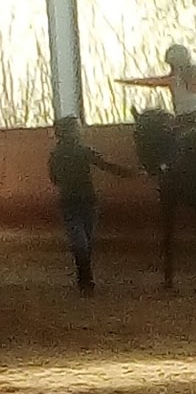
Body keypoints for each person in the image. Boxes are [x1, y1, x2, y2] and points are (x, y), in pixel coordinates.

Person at [48, 115, 136, 296]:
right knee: (86, 240)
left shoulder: (55, 155)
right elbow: (106, 165)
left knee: (79, 241)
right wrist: (130, 173)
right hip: (87, 199)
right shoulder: (83, 151)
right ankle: (86, 279)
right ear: (72, 132)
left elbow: (54, 179)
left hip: (69, 201)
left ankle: (85, 279)